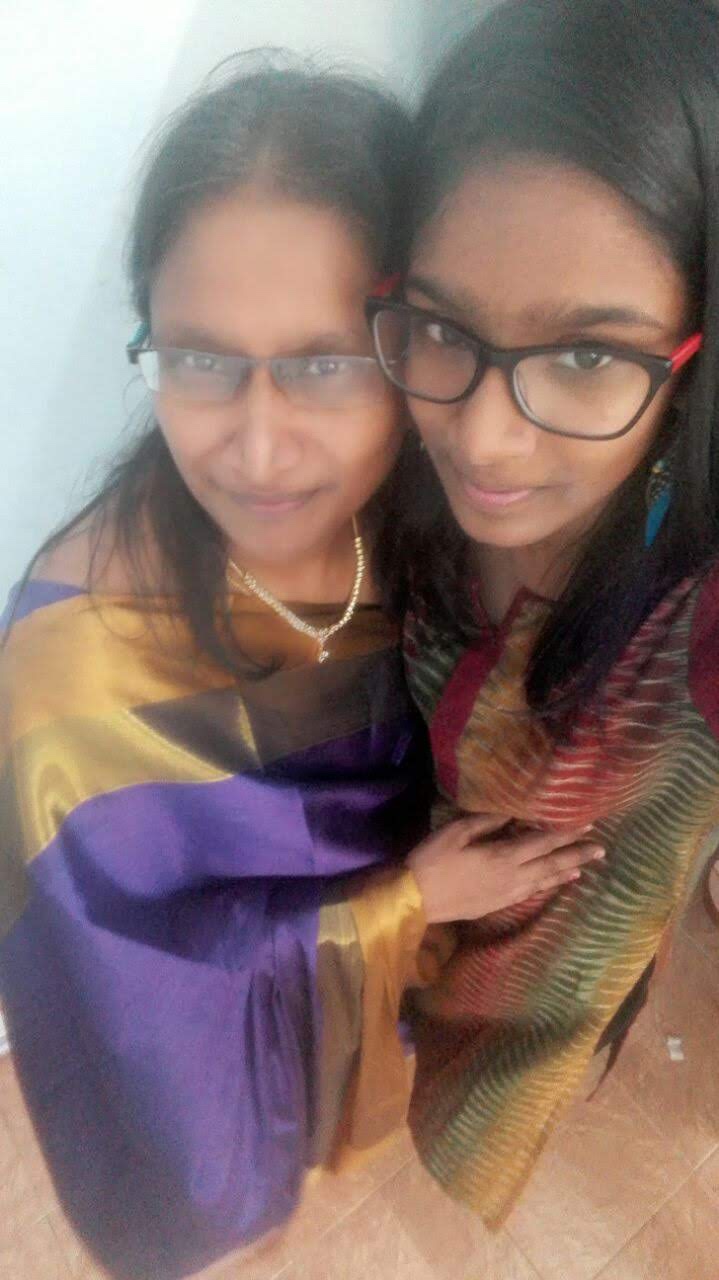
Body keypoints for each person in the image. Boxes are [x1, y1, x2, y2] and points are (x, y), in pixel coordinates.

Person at [0, 56, 600, 1280]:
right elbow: (134, 1008)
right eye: (200, 359)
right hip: (221, 1087)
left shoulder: (434, 516)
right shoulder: (74, 663)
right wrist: (406, 904)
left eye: (324, 365)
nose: (259, 448)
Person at [368, 0, 719, 1229]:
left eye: (581, 355)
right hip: (389, 919)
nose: (478, 439)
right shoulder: (381, 458)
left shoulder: (693, 615)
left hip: (533, 992)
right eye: (443, 326)